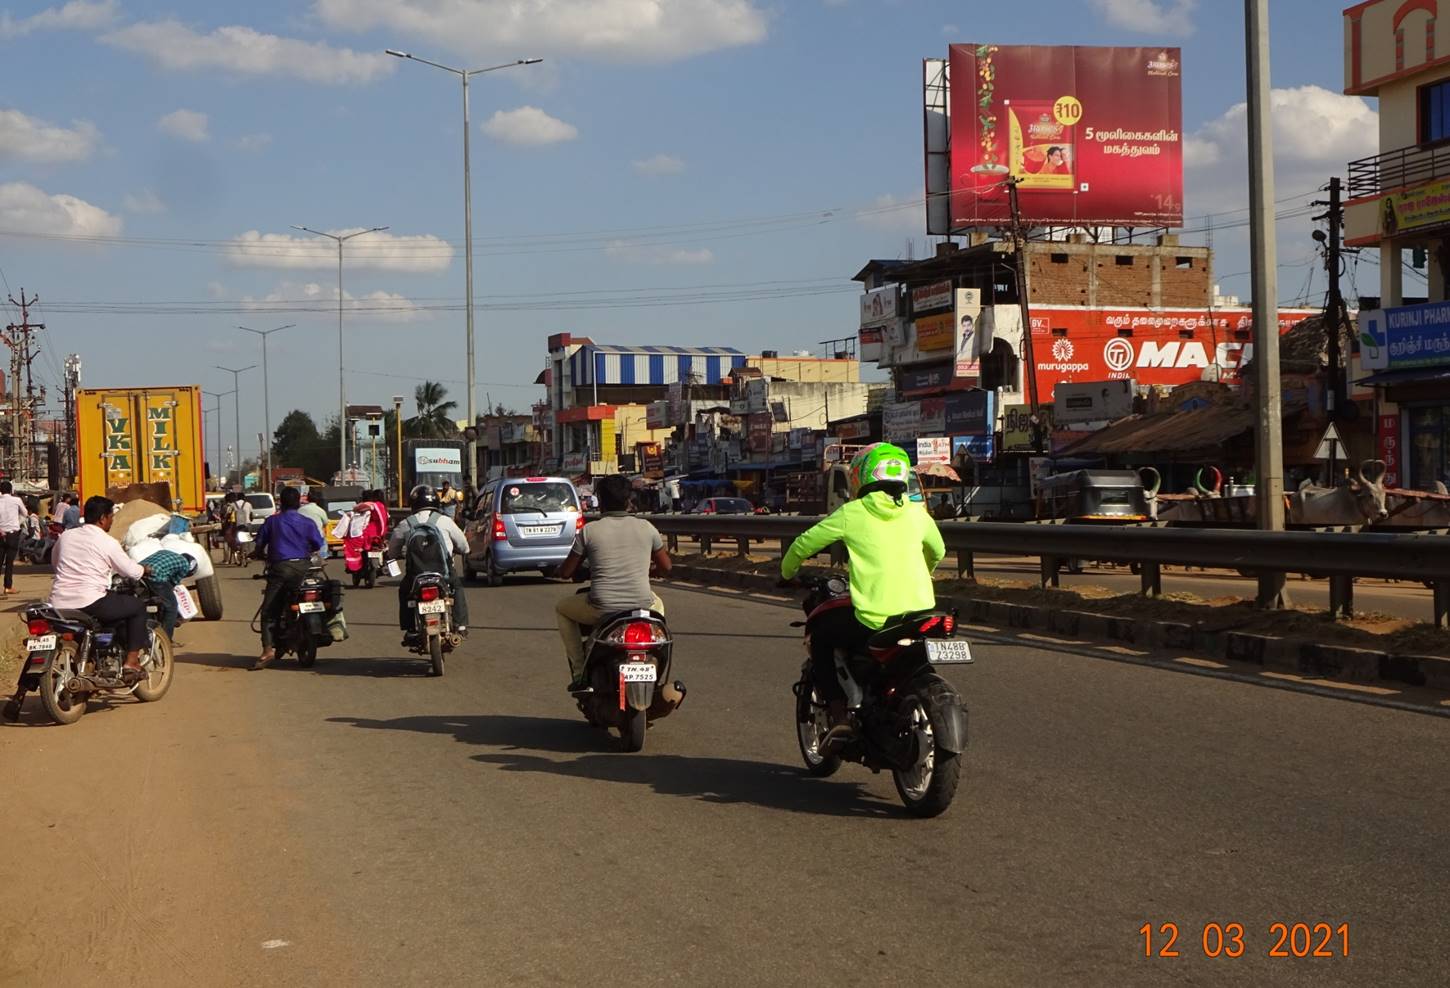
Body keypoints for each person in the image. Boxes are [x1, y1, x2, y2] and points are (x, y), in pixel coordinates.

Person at [780, 443, 946, 745]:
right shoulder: (916, 513)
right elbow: (938, 551)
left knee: (822, 638)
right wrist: (926, 572)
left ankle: (840, 716)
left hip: (875, 618)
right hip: (921, 611)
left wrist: (786, 573)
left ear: (861, 476)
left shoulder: (853, 512)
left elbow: (803, 545)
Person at [555, 473, 671, 692]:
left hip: (601, 608)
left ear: (601, 502)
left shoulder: (589, 531)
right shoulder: (647, 528)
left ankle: (580, 671)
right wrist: (650, 570)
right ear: (629, 501)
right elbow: (667, 567)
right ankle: (656, 657)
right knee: (659, 610)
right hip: (642, 606)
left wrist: (569, 571)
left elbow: (567, 571)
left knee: (562, 609)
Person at [49, 496, 154, 683]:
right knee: (137, 607)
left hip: (58, 602)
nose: (112, 521)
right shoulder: (107, 542)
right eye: (111, 517)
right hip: (90, 600)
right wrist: (143, 570)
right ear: (103, 518)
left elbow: (56, 562)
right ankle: (131, 662)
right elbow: (130, 570)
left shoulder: (66, 536)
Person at [252, 486, 324, 670]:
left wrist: (257, 553)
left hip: (280, 569)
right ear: (299, 501)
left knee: (269, 611)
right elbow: (318, 543)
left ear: (281, 503)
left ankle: (267, 650)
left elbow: (260, 544)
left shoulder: (272, 521)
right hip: (304, 568)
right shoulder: (307, 522)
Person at [388, 485, 469, 645]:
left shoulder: (406, 523)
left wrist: (392, 557)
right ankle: (460, 626)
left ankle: (410, 629)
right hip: (443, 574)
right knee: (457, 588)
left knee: (404, 592)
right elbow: (464, 546)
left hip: (416, 575)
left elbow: (392, 550)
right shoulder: (445, 521)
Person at [0, 480, 28, 595]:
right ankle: (7, 587)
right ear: (11, 490)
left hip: (1, 533)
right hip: (13, 533)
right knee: (9, 562)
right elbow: (25, 513)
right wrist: (17, 522)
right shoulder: (17, 500)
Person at [299, 493, 330, 557]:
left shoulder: (300, 510)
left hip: (303, 536)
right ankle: (323, 556)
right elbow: (326, 522)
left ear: (308, 499)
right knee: (323, 542)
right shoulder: (320, 510)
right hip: (318, 535)